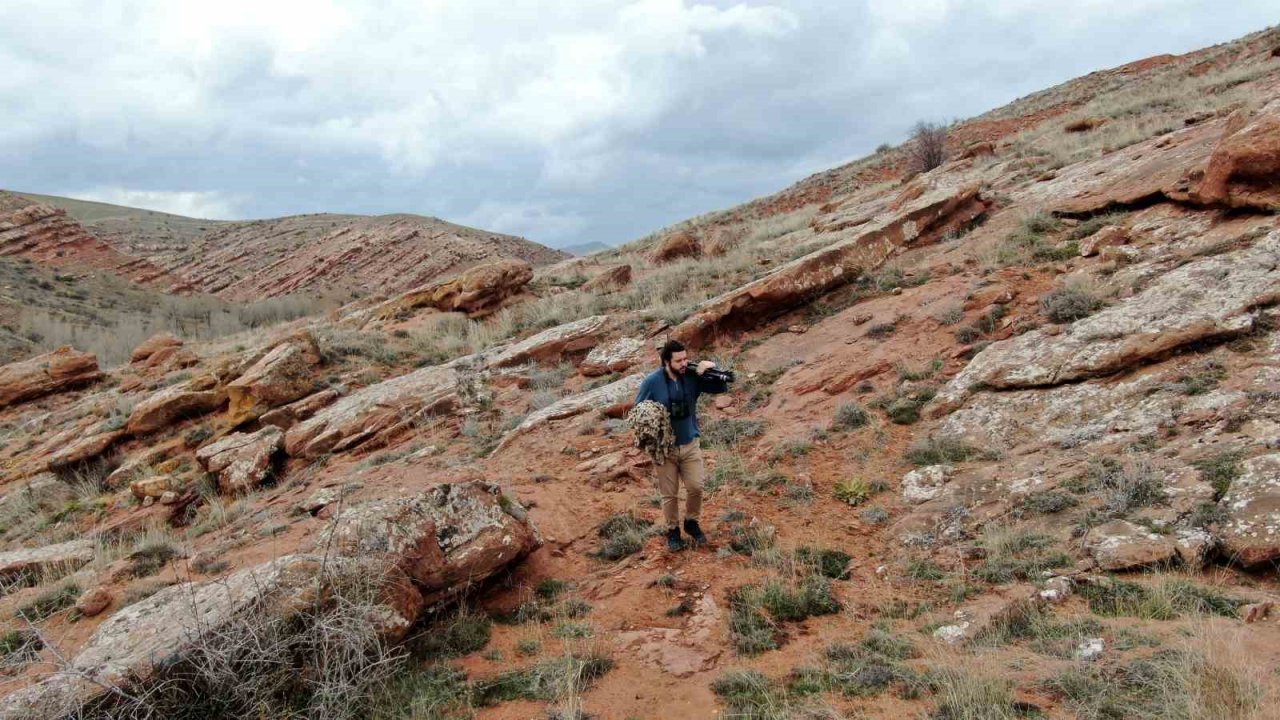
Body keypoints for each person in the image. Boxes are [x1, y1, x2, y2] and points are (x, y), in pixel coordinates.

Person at [634, 339, 731, 551]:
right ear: (666, 362)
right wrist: (652, 426)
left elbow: (720, 387)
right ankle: (673, 531)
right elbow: (637, 411)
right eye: (679, 361)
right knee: (670, 495)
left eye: (686, 358)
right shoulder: (652, 382)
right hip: (664, 449)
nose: (684, 363)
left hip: (690, 443)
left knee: (696, 487)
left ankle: (691, 522)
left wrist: (709, 369)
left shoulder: (691, 376)